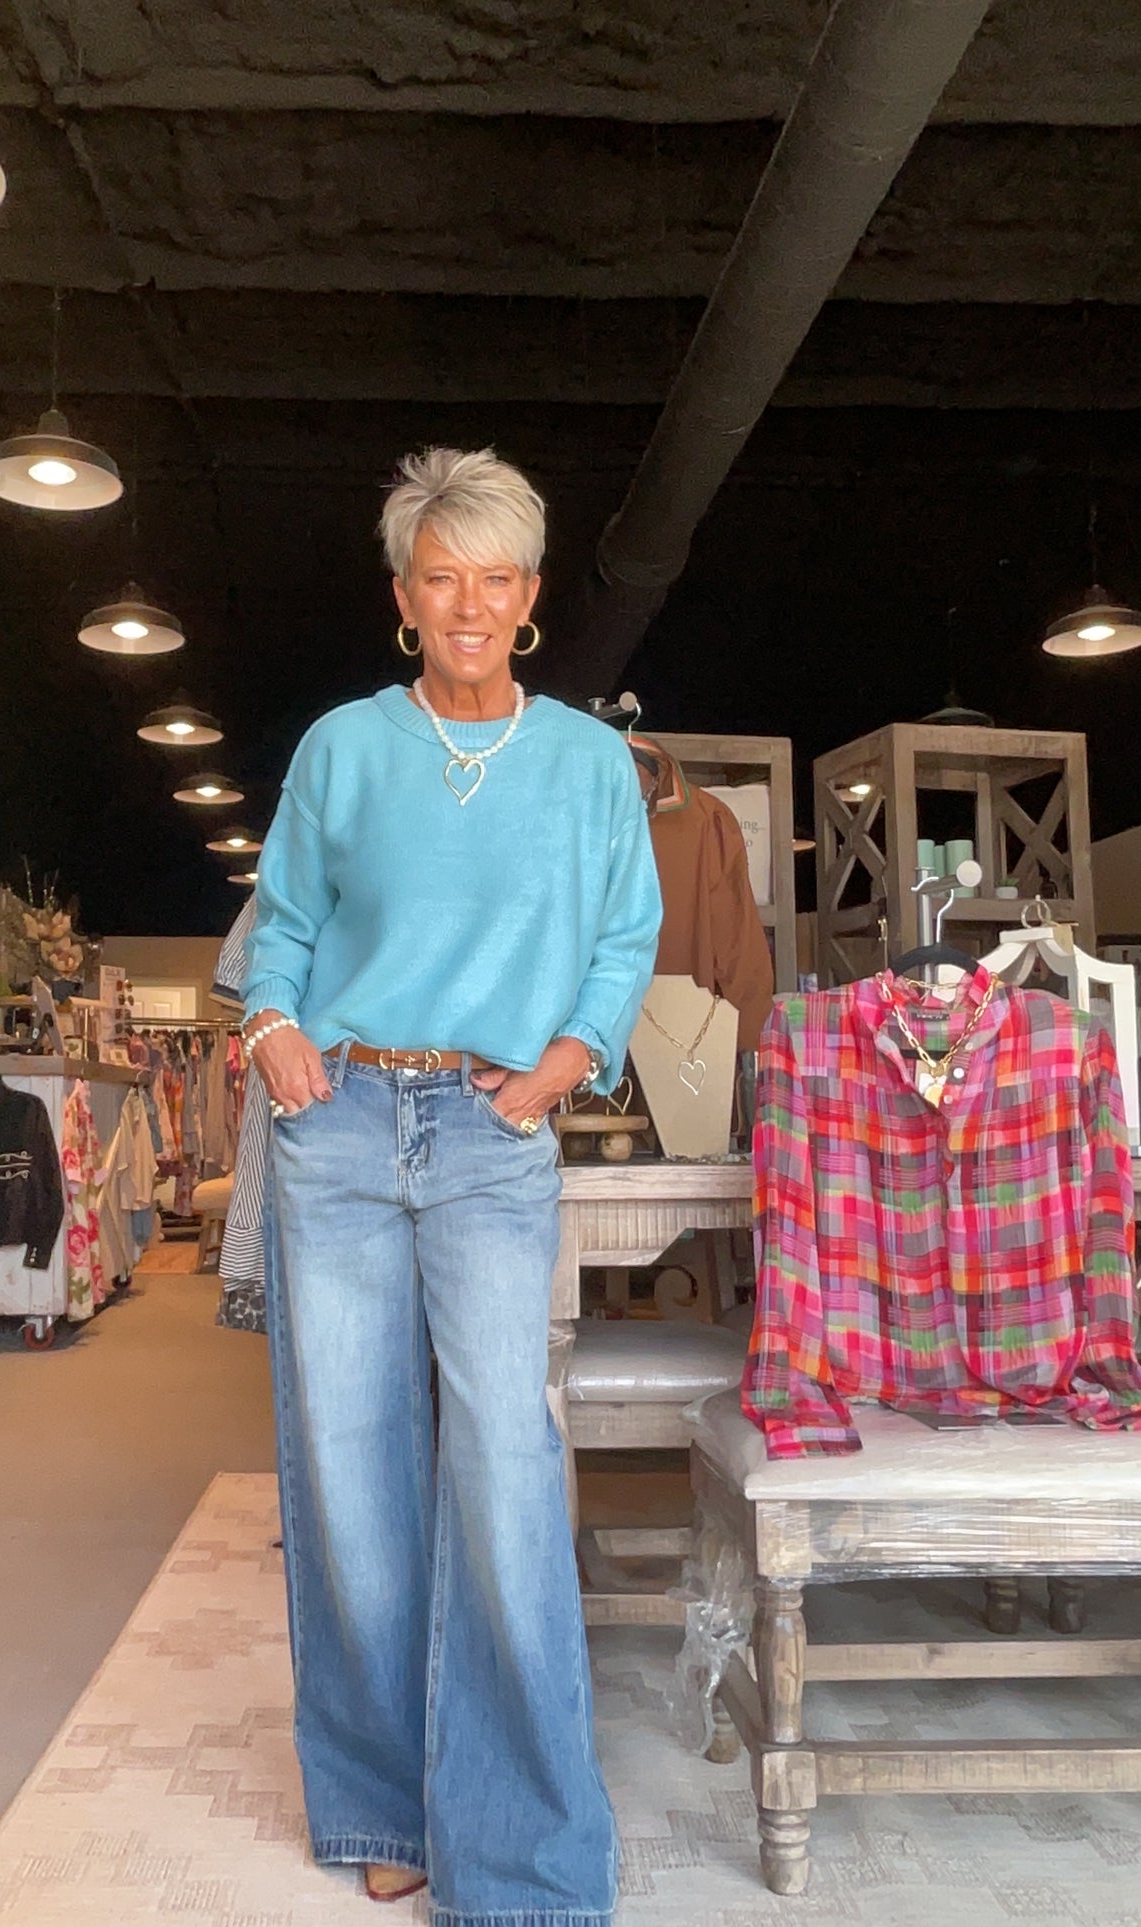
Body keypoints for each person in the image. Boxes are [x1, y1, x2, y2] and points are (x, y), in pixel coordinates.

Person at [242, 446, 661, 1927]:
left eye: (495, 578)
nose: (467, 603)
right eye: (441, 578)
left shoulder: (588, 764)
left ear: (531, 598)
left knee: (498, 1468)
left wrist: (563, 1061)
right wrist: (274, 1029)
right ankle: (379, 1801)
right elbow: (280, 927)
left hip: (492, 1138)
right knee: (349, 1469)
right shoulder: (342, 749)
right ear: (404, 597)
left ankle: (525, 1851)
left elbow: (624, 937)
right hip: (343, 1123)